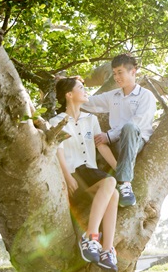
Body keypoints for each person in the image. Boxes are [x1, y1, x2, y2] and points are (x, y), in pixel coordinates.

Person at [50, 77, 119, 271]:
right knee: (110, 183)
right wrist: (67, 176)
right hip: (73, 173)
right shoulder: (56, 121)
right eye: (81, 88)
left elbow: (101, 146)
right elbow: (58, 150)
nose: (85, 90)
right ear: (69, 95)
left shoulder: (91, 119)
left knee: (113, 191)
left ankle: (106, 250)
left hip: (90, 172)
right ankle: (91, 236)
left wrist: (120, 169)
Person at [81, 53, 156, 207]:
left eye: (120, 72)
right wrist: (69, 88)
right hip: (116, 144)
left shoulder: (145, 95)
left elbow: (138, 122)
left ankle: (125, 184)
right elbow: (90, 102)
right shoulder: (113, 95)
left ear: (133, 71)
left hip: (136, 141)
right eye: (114, 73)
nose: (116, 77)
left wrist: (109, 135)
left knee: (130, 127)